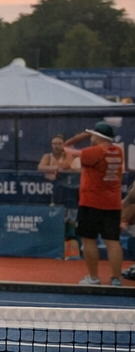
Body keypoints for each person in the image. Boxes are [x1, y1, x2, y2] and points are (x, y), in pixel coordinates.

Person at [62, 122, 126, 286]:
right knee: (113, 242)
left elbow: (66, 148)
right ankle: (116, 279)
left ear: (98, 137)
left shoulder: (93, 152)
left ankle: (93, 277)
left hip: (91, 202)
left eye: (93, 135)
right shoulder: (118, 151)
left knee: (89, 240)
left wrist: (80, 135)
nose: (91, 137)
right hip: (112, 203)